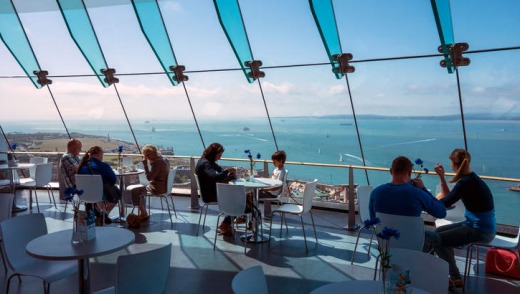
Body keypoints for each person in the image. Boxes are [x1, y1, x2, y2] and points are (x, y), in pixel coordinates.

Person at [427, 149, 496, 288]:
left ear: (454, 164)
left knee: (435, 239)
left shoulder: (465, 183)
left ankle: (455, 277)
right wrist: (441, 177)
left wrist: (423, 197)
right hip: (479, 226)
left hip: (480, 231)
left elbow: (445, 202)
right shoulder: (472, 179)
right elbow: (449, 198)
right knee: (437, 234)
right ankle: (443, 268)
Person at [369, 156, 447, 219]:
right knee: (438, 236)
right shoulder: (417, 194)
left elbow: (373, 218)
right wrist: (423, 189)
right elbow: (441, 213)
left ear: (391, 171)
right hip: (413, 238)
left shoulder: (376, 193)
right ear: (409, 173)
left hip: (385, 237)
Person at [195, 143, 237, 235]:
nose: (220, 158)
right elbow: (214, 177)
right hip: (211, 195)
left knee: (239, 196)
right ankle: (227, 223)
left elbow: (220, 171)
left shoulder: (206, 162)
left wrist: (227, 173)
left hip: (210, 192)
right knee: (239, 198)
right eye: (219, 155)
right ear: (213, 154)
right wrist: (228, 171)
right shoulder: (205, 164)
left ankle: (231, 220)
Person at [77, 146, 118, 224]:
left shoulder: (82, 165)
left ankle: (100, 211)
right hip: (98, 195)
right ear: (98, 154)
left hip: (84, 194)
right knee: (116, 192)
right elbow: (113, 180)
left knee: (99, 191)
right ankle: (104, 214)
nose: (102, 155)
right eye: (102, 153)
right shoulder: (103, 165)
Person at [130, 144, 170, 222]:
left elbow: (149, 178)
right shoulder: (162, 160)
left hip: (158, 188)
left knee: (135, 190)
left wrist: (145, 165)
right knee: (141, 189)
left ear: (147, 155)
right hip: (163, 186)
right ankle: (143, 211)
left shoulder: (157, 163)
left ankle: (143, 212)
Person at [259, 150, 287, 217]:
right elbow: (272, 181)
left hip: (273, 194)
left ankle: (252, 213)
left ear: (280, 161)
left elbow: (277, 187)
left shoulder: (281, 172)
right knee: (255, 192)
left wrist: (264, 189)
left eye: (274, 161)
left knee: (252, 194)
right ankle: (267, 214)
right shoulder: (276, 170)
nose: (273, 163)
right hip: (271, 192)